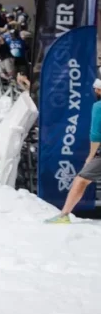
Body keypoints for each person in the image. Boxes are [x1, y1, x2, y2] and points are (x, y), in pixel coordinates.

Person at [47, 79, 101, 223]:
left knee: (80, 180)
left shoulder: (98, 106)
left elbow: (96, 134)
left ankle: (63, 215)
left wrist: (91, 155)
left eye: (96, 89)